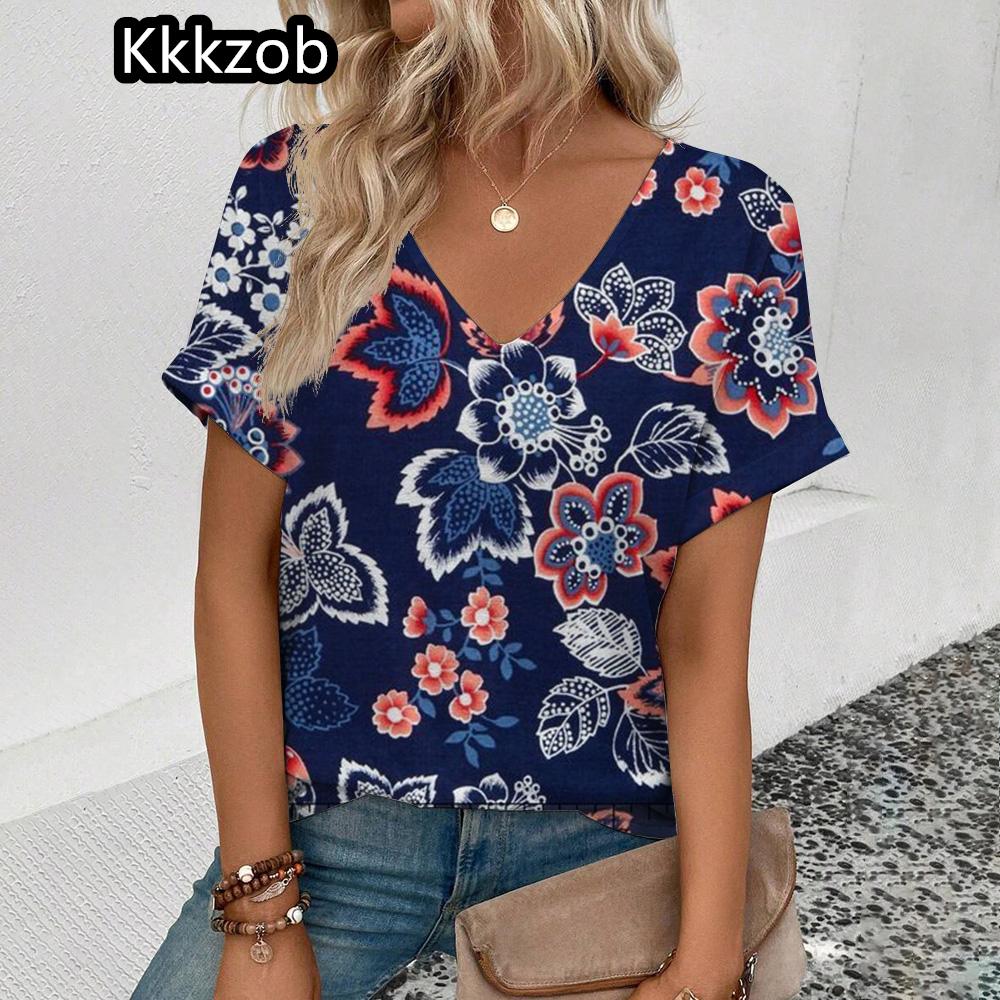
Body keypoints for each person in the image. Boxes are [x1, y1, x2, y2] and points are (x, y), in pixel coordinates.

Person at [134, 2, 849, 998]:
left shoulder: (727, 224)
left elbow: (704, 644)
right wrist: (261, 921)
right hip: (333, 842)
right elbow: (232, 578)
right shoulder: (297, 191)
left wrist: (703, 960)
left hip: (599, 847)